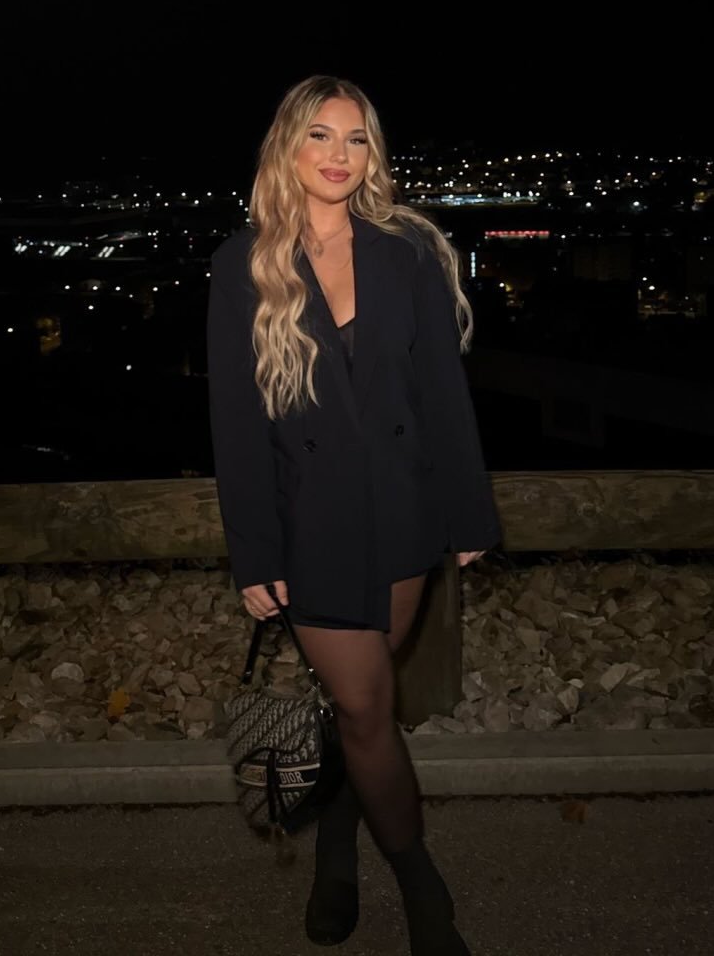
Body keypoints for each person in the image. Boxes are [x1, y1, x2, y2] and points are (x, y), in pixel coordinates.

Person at [206, 74, 501, 955]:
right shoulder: (243, 263)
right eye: (321, 135)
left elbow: (442, 391)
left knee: (355, 708)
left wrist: (468, 514)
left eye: (357, 138)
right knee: (367, 708)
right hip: (314, 526)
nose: (339, 155)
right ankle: (421, 886)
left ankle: (336, 848)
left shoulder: (406, 251)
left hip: (407, 513)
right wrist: (256, 553)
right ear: (287, 146)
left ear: (373, 155)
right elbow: (236, 423)